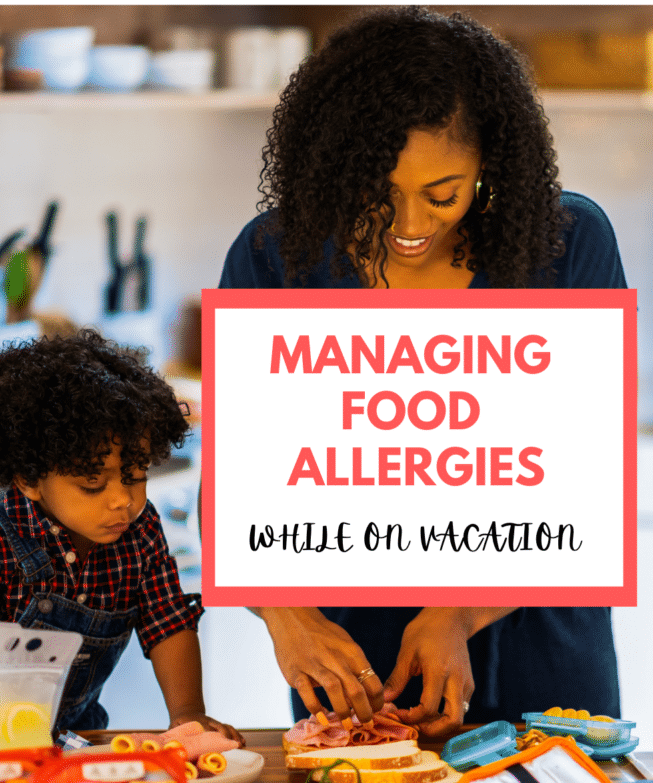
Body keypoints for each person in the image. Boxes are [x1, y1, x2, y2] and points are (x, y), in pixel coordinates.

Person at [219, 7, 625, 737]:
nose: (408, 225)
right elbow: (241, 486)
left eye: (443, 194)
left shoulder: (565, 248)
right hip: (355, 658)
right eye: (377, 194)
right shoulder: (276, 258)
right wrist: (286, 615)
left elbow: (584, 481)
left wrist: (458, 610)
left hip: (539, 642)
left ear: (489, 169)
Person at [0, 330, 243, 743]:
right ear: (30, 480)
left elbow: (168, 622)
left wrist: (188, 713)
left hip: (79, 737)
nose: (122, 500)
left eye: (135, 476)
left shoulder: (140, 531)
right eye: (92, 485)